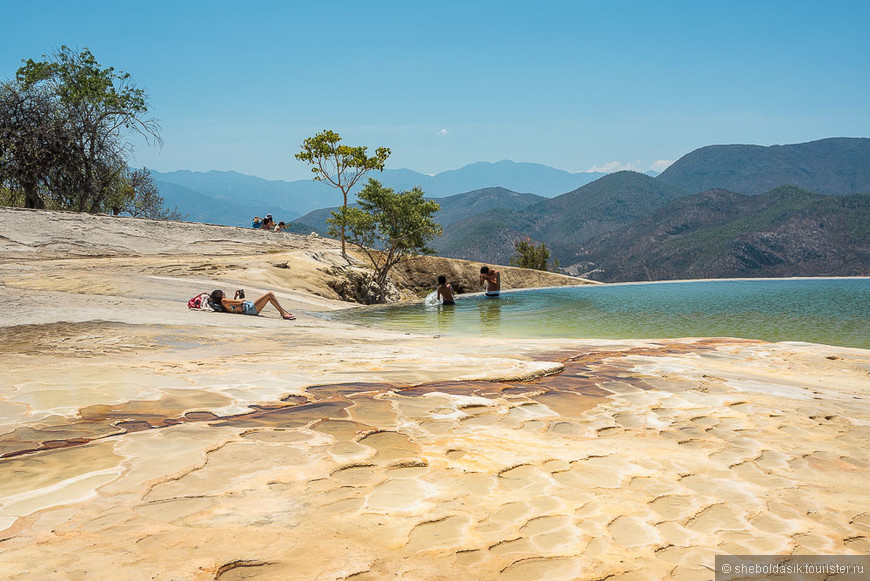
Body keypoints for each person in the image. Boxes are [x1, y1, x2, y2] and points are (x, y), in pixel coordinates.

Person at [209, 289, 296, 320]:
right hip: (249, 309)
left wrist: (235, 296)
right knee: (270, 294)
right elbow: (240, 302)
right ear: (221, 295)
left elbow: (233, 307)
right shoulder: (224, 301)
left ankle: (284, 312)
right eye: (223, 293)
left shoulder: (224, 303)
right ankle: (282, 313)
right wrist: (241, 299)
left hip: (248, 309)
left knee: (270, 297)